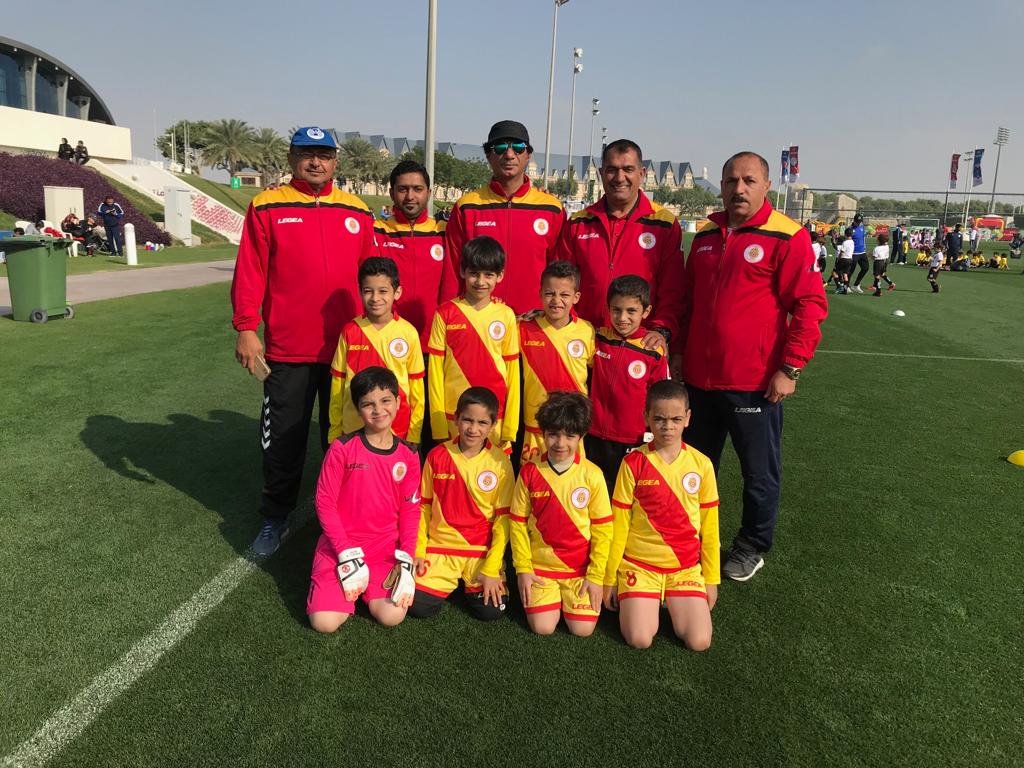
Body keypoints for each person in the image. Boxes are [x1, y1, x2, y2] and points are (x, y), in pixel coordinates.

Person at [679, 151, 827, 582]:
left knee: (758, 473)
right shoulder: (706, 236)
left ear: (766, 186)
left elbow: (810, 305)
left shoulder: (787, 236)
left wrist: (791, 367)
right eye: (731, 181)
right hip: (699, 381)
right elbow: (688, 303)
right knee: (692, 468)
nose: (738, 189)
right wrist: (680, 356)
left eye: (748, 180)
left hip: (753, 383)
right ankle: (689, 539)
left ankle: (751, 545)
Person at [232, 126, 377, 557]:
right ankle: (275, 518)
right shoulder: (267, 206)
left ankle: (346, 521)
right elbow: (251, 271)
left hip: (347, 350)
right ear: (291, 158)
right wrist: (246, 328)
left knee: (345, 440)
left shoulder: (357, 210)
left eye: (324, 155)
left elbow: (374, 276)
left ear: (335, 161)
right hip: (288, 350)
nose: (316, 162)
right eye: (307, 153)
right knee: (284, 442)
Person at [602, 380, 719, 651]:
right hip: (639, 566)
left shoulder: (702, 464)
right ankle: (648, 596)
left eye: (676, 419)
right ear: (647, 418)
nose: (668, 426)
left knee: (699, 641)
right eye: (659, 419)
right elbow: (619, 525)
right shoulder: (632, 463)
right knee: (639, 639)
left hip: (684, 568)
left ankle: (672, 598)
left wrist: (711, 579)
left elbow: (710, 528)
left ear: (687, 418)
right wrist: (610, 578)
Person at [307, 367, 421, 633]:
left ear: (398, 402)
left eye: (385, 401)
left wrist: (407, 557)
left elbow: (410, 509)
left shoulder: (409, 455)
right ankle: (335, 585)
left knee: (392, 616)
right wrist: (344, 552)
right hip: (341, 548)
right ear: (358, 409)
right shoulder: (342, 448)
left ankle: (362, 589)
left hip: (384, 549)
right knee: (324, 623)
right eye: (368, 404)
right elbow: (324, 503)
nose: (378, 410)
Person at [557, 139, 683, 361]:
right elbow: (562, 283)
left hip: (639, 348)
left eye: (628, 169)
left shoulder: (664, 224)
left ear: (641, 173)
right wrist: (571, 329)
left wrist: (661, 330)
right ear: (601, 173)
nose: (619, 177)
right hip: (583, 345)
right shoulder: (578, 223)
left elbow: (673, 291)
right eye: (612, 170)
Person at [511, 392, 612, 636]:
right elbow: (517, 523)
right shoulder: (530, 471)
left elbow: (603, 529)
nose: (560, 443)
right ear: (543, 433)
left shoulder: (593, 474)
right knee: (543, 627)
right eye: (553, 434)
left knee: (583, 629)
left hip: (579, 570)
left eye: (570, 436)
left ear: (582, 437)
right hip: (541, 568)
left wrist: (595, 576)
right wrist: (523, 569)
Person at [410, 387, 514, 621]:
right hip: (440, 546)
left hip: (480, 550)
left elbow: (503, 519)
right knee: (416, 606)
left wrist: (491, 567)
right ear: (456, 419)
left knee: (491, 611)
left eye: (482, 423)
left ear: (493, 425)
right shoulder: (436, 455)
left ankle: (474, 581)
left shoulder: (500, 462)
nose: (473, 429)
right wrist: (418, 551)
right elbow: (423, 507)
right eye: (467, 420)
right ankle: (450, 582)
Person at [440, 120, 565, 315]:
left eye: (518, 147)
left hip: (535, 320)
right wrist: (449, 317)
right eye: (500, 148)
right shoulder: (467, 207)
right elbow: (453, 270)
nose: (509, 155)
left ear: (528, 155)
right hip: (479, 320)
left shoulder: (551, 209)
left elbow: (562, 272)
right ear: (488, 155)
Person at [427, 236, 520, 447]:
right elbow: (435, 372)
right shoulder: (444, 313)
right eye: (474, 273)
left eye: (488, 275)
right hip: (454, 416)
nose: (480, 281)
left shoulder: (506, 315)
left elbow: (513, 373)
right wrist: (438, 424)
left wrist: (510, 426)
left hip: (495, 418)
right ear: (462, 271)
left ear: (500, 276)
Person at [327, 257, 424, 446]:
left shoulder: (408, 332)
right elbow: (337, 385)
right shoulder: (350, 331)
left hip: (397, 429)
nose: (375, 298)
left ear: (397, 292)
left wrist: (414, 433)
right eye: (368, 291)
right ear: (360, 292)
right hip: (354, 428)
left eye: (383, 291)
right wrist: (334, 431)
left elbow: (417, 389)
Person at [585, 274, 668, 490]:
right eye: (616, 310)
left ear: (646, 312)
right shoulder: (598, 339)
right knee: (596, 491)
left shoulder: (653, 350)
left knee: (627, 492)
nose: (622, 318)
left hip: (633, 438)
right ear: (607, 308)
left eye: (631, 311)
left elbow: (661, 398)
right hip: (594, 434)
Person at [518, 260, 595, 465]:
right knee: (534, 479)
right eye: (550, 293)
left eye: (564, 295)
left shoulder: (587, 331)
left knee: (572, 481)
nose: (556, 301)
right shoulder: (523, 328)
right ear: (540, 293)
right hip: (536, 427)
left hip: (573, 428)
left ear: (576, 297)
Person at [372, 160, 446, 348]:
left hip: (434, 342)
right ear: (391, 193)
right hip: (387, 340)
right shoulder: (376, 231)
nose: (410, 196)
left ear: (429, 193)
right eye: (403, 189)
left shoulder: (444, 232)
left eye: (417, 189)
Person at [849, 213, 869, 293]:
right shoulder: (850, 229)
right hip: (853, 253)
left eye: (860, 221)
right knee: (851, 271)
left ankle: (856, 285)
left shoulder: (862, 226)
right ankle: (846, 286)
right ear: (854, 221)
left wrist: (864, 246)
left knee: (865, 268)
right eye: (857, 222)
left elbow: (863, 238)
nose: (859, 223)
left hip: (862, 252)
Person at [833, 227, 855, 294]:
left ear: (845, 234)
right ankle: (845, 290)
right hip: (850, 259)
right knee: (845, 274)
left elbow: (842, 252)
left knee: (834, 272)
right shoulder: (852, 242)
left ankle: (839, 287)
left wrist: (838, 259)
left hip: (844, 259)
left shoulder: (845, 242)